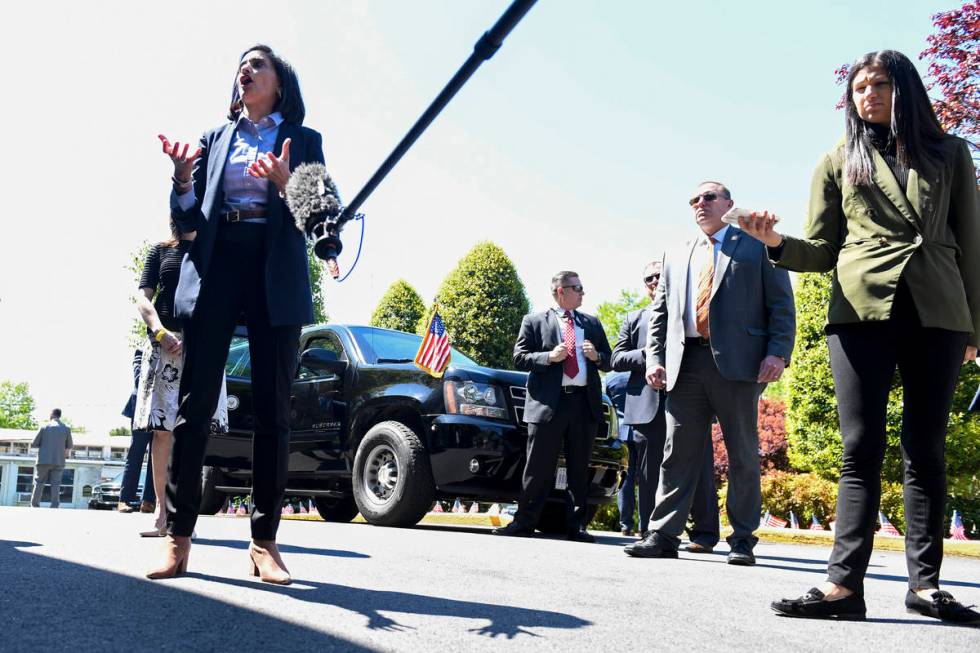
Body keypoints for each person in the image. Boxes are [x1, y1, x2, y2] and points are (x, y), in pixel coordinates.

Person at [740, 50, 980, 624]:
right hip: (859, 310)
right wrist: (775, 243)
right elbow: (821, 251)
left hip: (939, 311)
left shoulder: (950, 152)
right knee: (860, 447)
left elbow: (971, 240)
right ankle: (842, 587)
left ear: (905, 89)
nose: (867, 94)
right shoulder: (837, 160)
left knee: (926, 449)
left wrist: (975, 325)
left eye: (879, 83)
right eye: (859, 86)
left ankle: (926, 586)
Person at [147, 44, 327, 584]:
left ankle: (264, 542)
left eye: (259, 65)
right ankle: (177, 540)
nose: (245, 70)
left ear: (279, 83)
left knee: (274, 410)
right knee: (195, 403)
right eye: (242, 65)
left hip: (274, 265)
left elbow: (318, 213)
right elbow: (185, 225)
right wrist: (182, 179)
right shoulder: (214, 138)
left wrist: (285, 183)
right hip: (217, 264)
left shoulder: (305, 139)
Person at [627, 181, 795, 565]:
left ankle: (742, 539)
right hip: (685, 364)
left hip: (740, 365)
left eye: (708, 197)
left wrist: (778, 354)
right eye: (693, 200)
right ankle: (664, 534)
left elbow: (782, 305)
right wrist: (655, 359)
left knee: (741, 455)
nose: (699, 204)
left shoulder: (757, 245)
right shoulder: (676, 253)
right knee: (677, 453)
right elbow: (661, 314)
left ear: (729, 204)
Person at [494, 271, 613, 542]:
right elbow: (519, 358)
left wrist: (597, 356)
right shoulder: (534, 321)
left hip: (583, 403)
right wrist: (548, 357)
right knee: (538, 467)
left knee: (579, 467)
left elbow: (609, 360)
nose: (583, 292)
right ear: (561, 291)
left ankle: (577, 527)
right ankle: (523, 523)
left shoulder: (591, 323)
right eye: (578, 287)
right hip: (548, 403)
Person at [612, 261, 720, 549]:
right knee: (649, 473)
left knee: (699, 467)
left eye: (662, 275)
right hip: (648, 403)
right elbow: (616, 359)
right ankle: (650, 532)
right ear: (644, 284)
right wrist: (650, 353)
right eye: (650, 277)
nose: (656, 280)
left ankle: (705, 534)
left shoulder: (692, 314)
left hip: (692, 399)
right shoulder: (634, 319)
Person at [133, 221, 229, 536]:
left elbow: (220, 303)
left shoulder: (214, 251)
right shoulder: (160, 252)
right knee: (162, 432)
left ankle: (184, 515)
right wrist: (160, 332)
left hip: (200, 347)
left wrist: (198, 335)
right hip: (163, 347)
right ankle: (162, 514)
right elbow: (143, 299)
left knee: (193, 430)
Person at [119, 348, 156, 514]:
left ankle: (148, 500)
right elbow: (138, 378)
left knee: (157, 455)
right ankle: (124, 499)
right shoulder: (142, 350)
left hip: (163, 408)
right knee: (136, 453)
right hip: (142, 407)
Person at [603, 371, 636, 535]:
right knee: (648, 479)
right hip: (642, 429)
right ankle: (646, 525)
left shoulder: (611, 378)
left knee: (626, 480)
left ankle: (626, 525)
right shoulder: (643, 372)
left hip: (622, 431)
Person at [30, 409, 73, 508]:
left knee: (39, 482)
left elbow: (34, 443)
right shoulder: (66, 428)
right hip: (58, 461)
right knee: (56, 484)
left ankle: (34, 505)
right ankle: (54, 505)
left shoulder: (44, 427)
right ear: (59, 416)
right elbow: (69, 446)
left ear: (52, 415)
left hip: (43, 461)